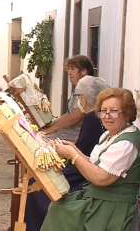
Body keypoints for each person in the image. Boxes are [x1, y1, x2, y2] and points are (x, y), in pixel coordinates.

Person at [41, 88, 140, 231]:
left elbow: (101, 178)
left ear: (126, 113)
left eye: (113, 111)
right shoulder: (109, 135)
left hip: (113, 207)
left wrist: (73, 156)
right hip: (99, 199)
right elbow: (98, 164)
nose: (107, 116)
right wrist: (75, 151)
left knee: (60, 211)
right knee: (58, 206)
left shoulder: (126, 143)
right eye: (103, 111)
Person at [25, 76, 108, 231]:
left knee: (36, 185)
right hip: (86, 167)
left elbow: (81, 156)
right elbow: (83, 150)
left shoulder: (93, 118)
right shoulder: (94, 118)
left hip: (83, 176)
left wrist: (67, 154)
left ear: (83, 99)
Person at [40, 55, 96, 142]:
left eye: (73, 69)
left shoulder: (87, 86)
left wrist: (52, 129)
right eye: (69, 69)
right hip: (71, 132)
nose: (69, 72)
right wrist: (52, 124)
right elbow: (70, 113)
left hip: (77, 135)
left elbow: (77, 115)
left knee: (40, 139)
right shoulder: (80, 87)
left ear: (83, 71)